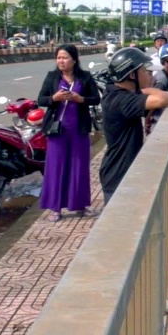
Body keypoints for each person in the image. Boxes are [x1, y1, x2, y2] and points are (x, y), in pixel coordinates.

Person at [99, 47, 168, 205]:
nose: (150, 74)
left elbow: (149, 91)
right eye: (145, 71)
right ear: (132, 75)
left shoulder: (120, 92)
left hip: (121, 170)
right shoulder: (121, 100)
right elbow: (160, 99)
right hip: (118, 173)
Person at [37, 44, 102, 222]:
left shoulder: (85, 77)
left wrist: (80, 99)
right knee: (55, 168)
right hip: (57, 130)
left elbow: (96, 98)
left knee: (79, 167)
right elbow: (41, 99)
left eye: (64, 58)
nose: (61, 61)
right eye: (58, 58)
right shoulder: (52, 77)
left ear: (74, 60)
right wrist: (54, 98)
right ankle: (55, 208)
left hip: (78, 129)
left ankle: (80, 205)